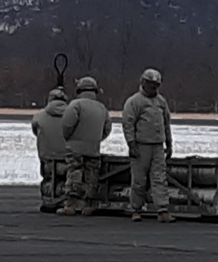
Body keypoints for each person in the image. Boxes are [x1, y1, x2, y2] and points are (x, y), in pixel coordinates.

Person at [122, 68, 175, 223]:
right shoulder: (134, 102)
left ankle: (162, 209)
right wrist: (131, 144)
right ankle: (136, 209)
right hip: (141, 146)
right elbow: (128, 124)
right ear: (143, 82)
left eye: (156, 85)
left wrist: (169, 143)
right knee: (139, 179)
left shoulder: (161, 102)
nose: (154, 88)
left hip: (158, 146)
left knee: (160, 178)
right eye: (151, 84)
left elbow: (167, 123)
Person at [59, 76, 112, 216]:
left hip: (75, 148)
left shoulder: (75, 105)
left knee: (74, 173)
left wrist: (70, 139)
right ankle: (88, 205)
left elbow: (67, 125)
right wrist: (96, 140)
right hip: (93, 148)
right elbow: (107, 129)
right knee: (91, 177)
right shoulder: (102, 108)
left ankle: (71, 204)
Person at [31, 87, 69, 208]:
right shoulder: (73, 117)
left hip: (48, 161)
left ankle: (49, 199)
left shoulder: (38, 117)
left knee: (49, 180)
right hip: (69, 161)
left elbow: (35, 131)